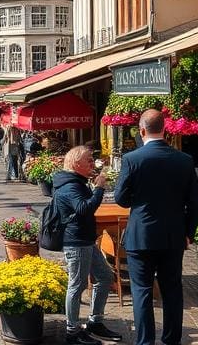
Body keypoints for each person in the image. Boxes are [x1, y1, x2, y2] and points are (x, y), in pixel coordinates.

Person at [114, 109, 198, 345]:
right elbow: (195, 202)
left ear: (142, 131)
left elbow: (121, 198)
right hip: (173, 236)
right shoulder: (184, 160)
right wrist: (188, 233)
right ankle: (171, 340)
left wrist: (138, 197)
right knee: (172, 290)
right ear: (165, 129)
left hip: (141, 235)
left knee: (141, 291)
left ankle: (145, 342)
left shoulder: (132, 159)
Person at [53, 145, 121, 344]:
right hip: (77, 242)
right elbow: (84, 209)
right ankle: (72, 331)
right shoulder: (70, 185)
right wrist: (99, 187)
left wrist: (92, 185)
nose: (93, 163)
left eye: (93, 159)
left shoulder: (76, 181)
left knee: (105, 276)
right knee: (77, 285)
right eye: (89, 160)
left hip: (86, 240)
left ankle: (95, 321)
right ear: (76, 164)